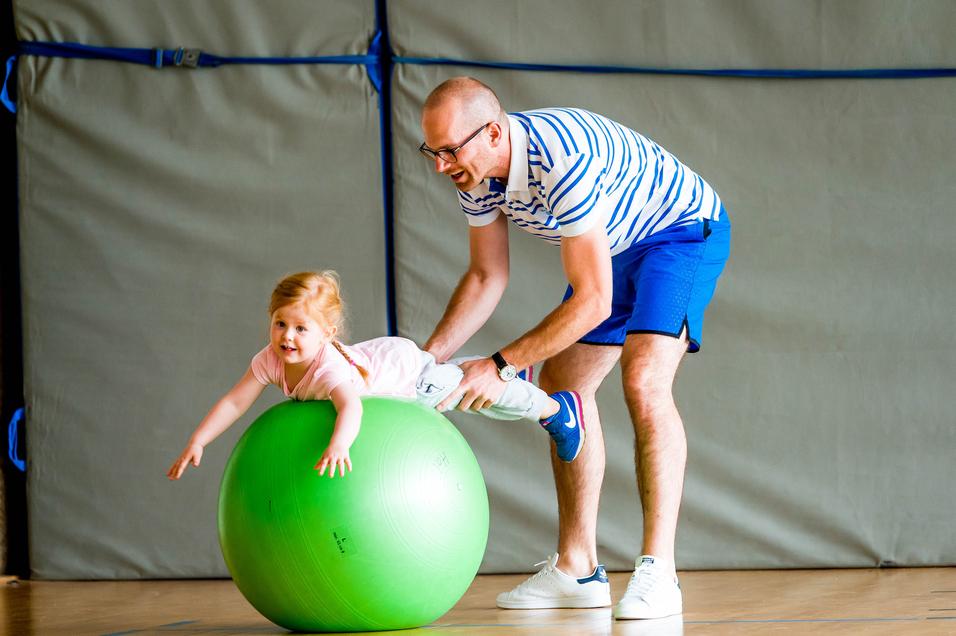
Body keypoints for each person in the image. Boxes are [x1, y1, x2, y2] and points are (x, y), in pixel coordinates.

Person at [419, 77, 731, 620]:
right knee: (563, 387)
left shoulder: (562, 160)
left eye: (450, 151)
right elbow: (486, 276)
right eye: (432, 152)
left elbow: (592, 301)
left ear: (493, 132)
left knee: (643, 380)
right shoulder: (476, 174)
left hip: (678, 234)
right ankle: (577, 568)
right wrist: (428, 358)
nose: (442, 166)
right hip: (614, 246)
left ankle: (660, 572)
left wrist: (500, 366)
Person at [167, 270, 585, 481]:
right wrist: (199, 439)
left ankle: (554, 409)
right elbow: (236, 399)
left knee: (477, 395)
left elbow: (349, 406)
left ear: (327, 333)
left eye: (300, 328)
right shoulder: (269, 359)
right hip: (385, 361)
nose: (287, 337)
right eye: (280, 324)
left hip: (409, 383)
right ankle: (517, 385)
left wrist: (338, 445)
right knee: (462, 380)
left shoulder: (327, 366)